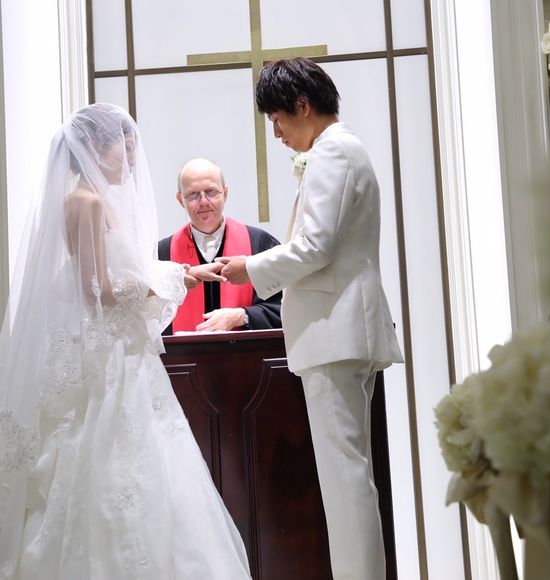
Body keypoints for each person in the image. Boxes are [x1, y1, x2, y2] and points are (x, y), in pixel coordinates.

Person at [0, 103, 252, 579]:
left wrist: (182, 274)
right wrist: (174, 281)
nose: (132, 160)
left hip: (115, 347)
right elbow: (99, 289)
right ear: (97, 148)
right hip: (114, 357)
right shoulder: (88, 202)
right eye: (125, 148)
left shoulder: (85, 198)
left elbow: (111, 274)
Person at [218, 58, 404, 580]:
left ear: (302, 106)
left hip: (333, 331)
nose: (276, 134)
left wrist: (250, 267)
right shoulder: (340, 149)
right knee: (350, 477)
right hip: (340, 329)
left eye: (277, 119)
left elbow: (315, 246)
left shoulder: (333, 151)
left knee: (345, 480)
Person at [158, 158, 282, 333]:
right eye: (193, 194)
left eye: (211, 192)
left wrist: (242, 315)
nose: (203, 201)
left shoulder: (260, 243)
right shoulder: (163, 254)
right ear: (180, 200)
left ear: (225, 192)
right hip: (183, 351)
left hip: (247, 350)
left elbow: (283, 307)